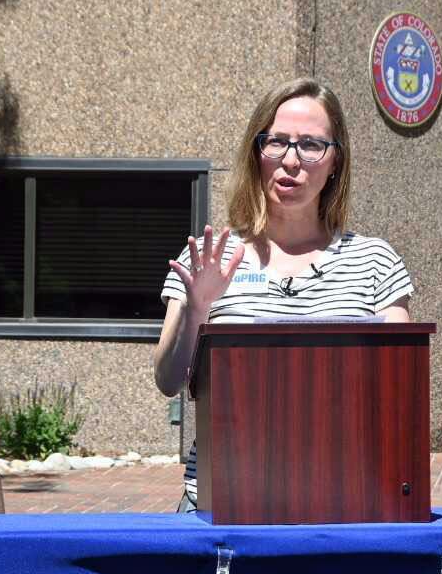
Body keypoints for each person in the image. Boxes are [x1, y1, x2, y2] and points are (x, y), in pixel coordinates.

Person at [152, 77, 414, 511]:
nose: (291, 161)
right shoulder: (210, 257)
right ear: (256, 154)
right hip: (221, 509)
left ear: (335, 162)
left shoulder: (375, 262)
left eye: (311, 145)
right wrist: (197, 309)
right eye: (277, 142)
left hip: (345, 506)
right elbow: (168, 381)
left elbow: (397, 392)